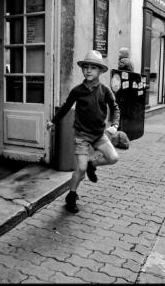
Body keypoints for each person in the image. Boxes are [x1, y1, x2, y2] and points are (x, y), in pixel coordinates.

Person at [47, 50, 120, 213]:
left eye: (93, 68)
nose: (88, 70)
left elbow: (115, 108)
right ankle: (71, 196)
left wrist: (115, 124)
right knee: (79, 169)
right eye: (86, 67)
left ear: (100, 71)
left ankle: (91, 164)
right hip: (82, 135)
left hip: (99, 135)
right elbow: (66, 107)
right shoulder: (77, 91)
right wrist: (53, 121)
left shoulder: (105, 91)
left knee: (113, 157)